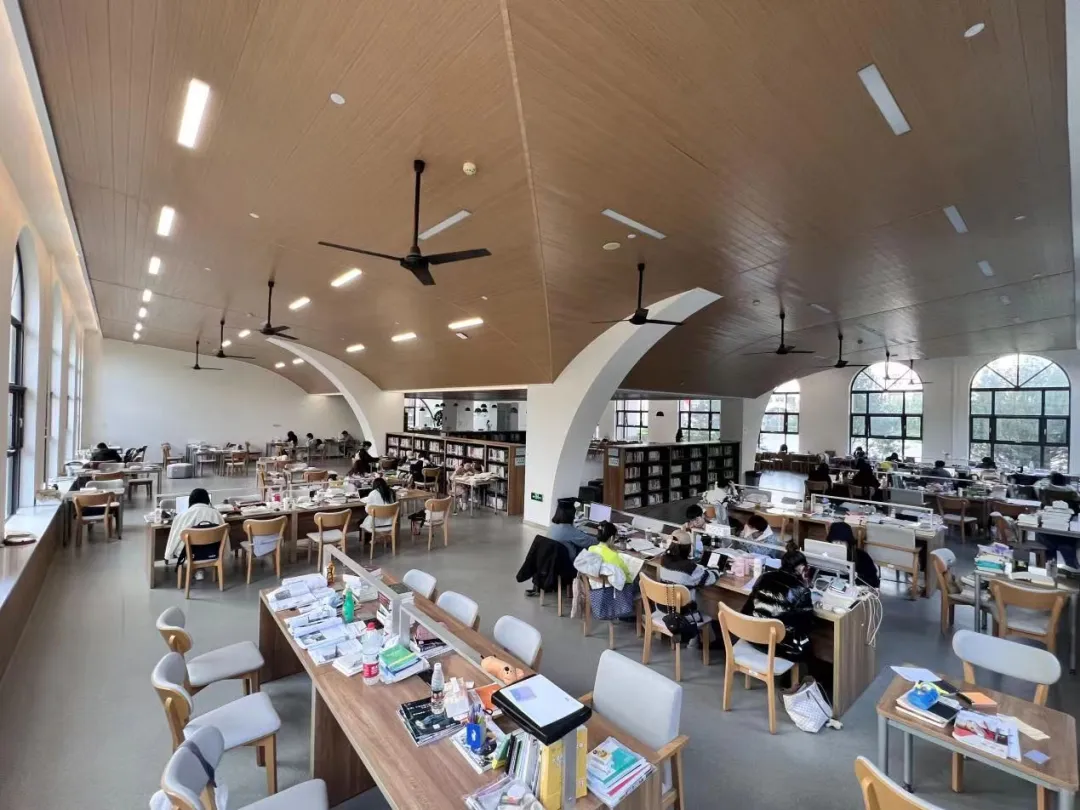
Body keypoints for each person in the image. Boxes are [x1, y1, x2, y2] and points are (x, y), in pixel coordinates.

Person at [741, 542, 814, 662]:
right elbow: (806, 625)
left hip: (752, 635)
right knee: (810, 644)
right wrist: (805, 584)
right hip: (778, 646)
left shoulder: (764, 577)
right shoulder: (801, 590)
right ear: (802, 568)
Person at [164, 488, 225, 581]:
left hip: (189, 553)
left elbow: (174, 537)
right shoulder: (216, 514)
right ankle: (200, 569)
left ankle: (197, 570)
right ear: (208, 501)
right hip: (212, 551)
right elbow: (224, 535)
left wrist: (168, 555)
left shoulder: (181, 516)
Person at [658, 530, 718, 600]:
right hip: (684, 607)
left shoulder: (664, 559)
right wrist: (715, 569)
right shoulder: (690, 568)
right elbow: (710, 579)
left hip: (662, 605)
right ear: (688, 549)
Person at [825, 521, 880, 588]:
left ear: (848, 543)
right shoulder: (825, 554)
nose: (838, 545)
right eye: (835, 541)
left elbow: (874, 582)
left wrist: (857, 577)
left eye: (842, 542)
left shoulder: (863, 557)